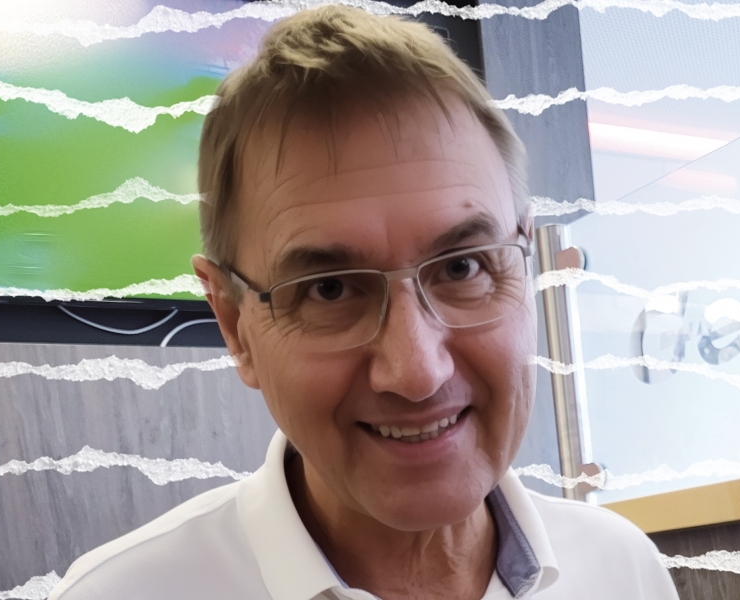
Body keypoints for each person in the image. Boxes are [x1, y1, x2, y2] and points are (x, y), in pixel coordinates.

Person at [47, 5, 679, 600]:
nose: (417, 371)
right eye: (330, 289)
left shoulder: (622, 570)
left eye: (462, 267)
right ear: (235, 325)